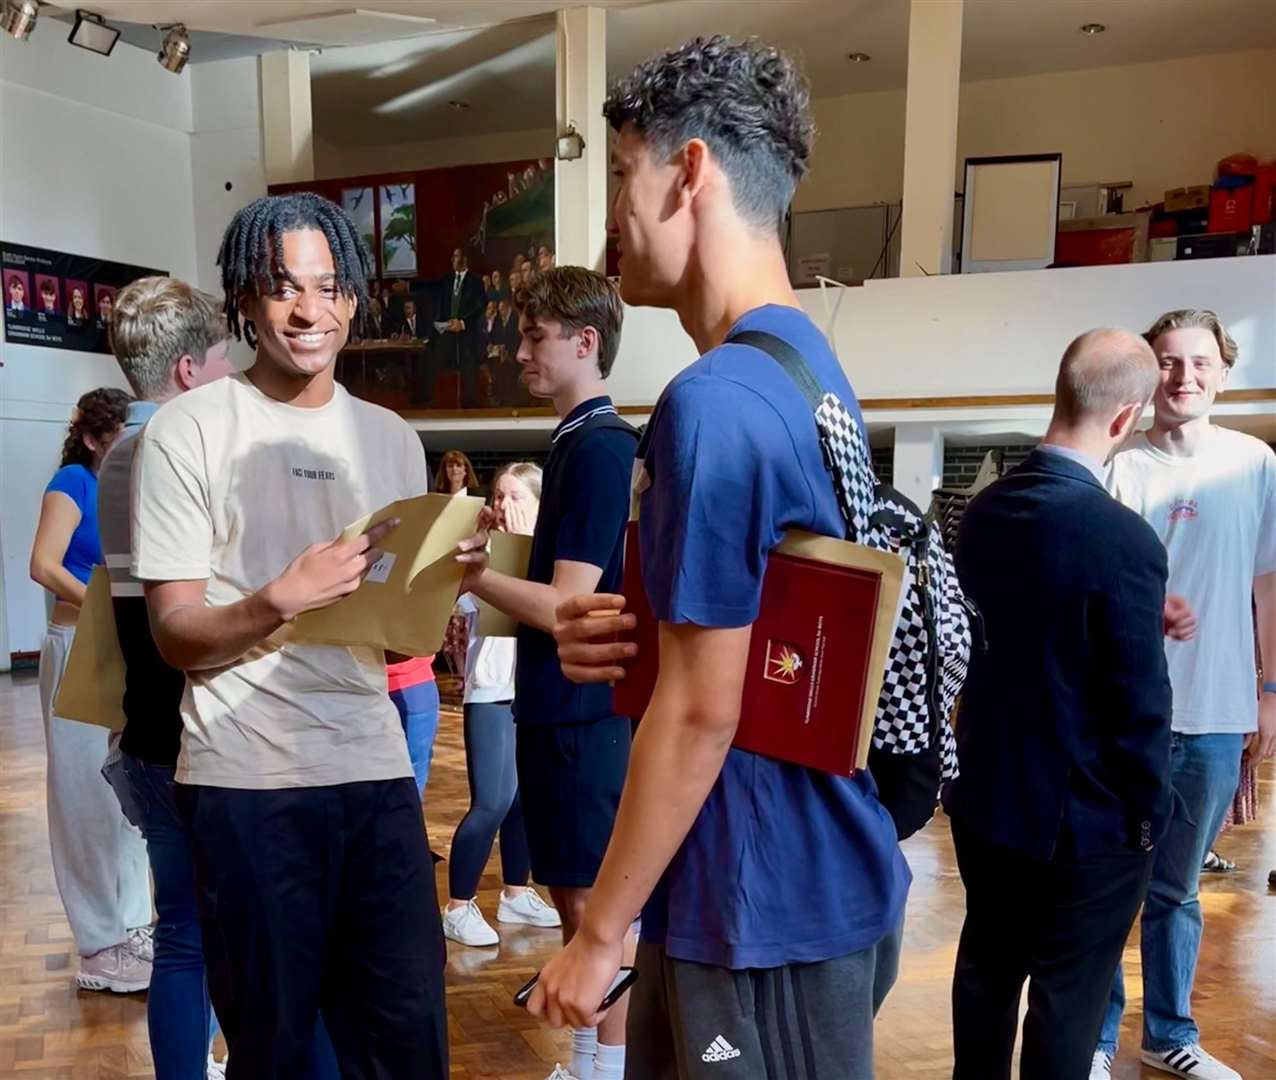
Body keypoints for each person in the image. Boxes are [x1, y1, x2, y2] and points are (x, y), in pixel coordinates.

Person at [534, 36, 910, 1080]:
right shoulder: (803, 367)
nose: (612, 214)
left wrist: (599, 931)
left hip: (761, 903)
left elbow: (706, 709)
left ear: (687, 171)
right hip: (770, 879)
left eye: (621, 175)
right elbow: (776, 630)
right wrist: (636, 636)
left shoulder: (717, 403)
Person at [131, 192, 448, 1079]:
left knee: (408, 1045)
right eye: (282, 288)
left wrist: (443, 580)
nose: (308, 310)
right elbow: (177, 635)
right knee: (275, 1051)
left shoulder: (389, 438)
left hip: (374, 769)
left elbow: (390, 638)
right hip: (246, 781)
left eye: (328, 285)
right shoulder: (188, 431)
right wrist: (280, 599)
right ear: (244, 298)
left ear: (353, 297)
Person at [98, 275, 322, 1080]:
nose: (233, 369)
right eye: (225, 354)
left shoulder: (118, 453)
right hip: (203, 735)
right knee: (262, 939)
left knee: (183, 937)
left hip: (147, 730)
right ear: (190, 369)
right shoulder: (178, 449)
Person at [946, 330, 1183, 1080]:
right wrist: (1153, 812)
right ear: (1125, 419)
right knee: (1068, 1000)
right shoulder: (1123, 538)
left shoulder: (981, 515)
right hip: (1087, 819)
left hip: (988, 801)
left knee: (986, 974)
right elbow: (1139, 701)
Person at [455, 266, 639, 1080]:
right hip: (557, 709)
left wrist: (474, 577)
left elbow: (571, 603)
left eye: (535, 338)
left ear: (585, 342)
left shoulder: (601, 446)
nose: (520, 352)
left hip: (580, 713)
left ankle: (605, 1066)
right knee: (575, 903)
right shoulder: (574, 443)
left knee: (597, 912)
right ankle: (592, 1059)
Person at [1093, 310, 1276, 1080]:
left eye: (1200, 363)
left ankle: (1169, 1034)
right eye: (1168, 363)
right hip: (1124, 712)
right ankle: (1094, 1041)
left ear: (1223, 373)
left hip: (1217, 709)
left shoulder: (1255, 462)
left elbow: (1267, 584)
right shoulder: (1119, 466)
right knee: (1106, 884)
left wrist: (1268, 691)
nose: (1184, 377)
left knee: (1177, 889)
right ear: (1148, 372)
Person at [28, 386, 152, 994]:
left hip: (113, 645)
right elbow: (44, 564)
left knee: (121, 795)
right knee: (81, 795)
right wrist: (104, 604)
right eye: (120, 433)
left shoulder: (125, 484)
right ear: (95, 437)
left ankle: (131, 925)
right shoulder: (73, 482)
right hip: (74, 644)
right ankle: (100, 946)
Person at [444, 462, 561, 947]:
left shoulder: (554, 558)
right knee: (491, 802)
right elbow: (458, 607)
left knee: (523, 802)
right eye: (499, 496)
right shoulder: (482, 555)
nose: (503, 505)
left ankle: (516, 892)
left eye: (515, 497)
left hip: (532, 688)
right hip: (491, 690)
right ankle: (457, 906)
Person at [436, 247, 485, 407]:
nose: (453, 259)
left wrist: (463, 323)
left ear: (464, 259)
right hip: (449, 335)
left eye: (456, 256)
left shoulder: (476, 281)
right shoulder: (448, 281)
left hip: (468, 336)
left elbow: (479, 307)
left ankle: (470, 410)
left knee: (469, 376)